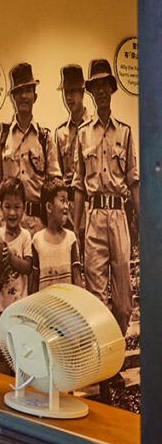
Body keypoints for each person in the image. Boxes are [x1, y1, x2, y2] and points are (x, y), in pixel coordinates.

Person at [73, 59, 139, 335]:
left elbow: (134, 179)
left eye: (104, 85)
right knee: (96, 298)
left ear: (111, 90)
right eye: (96, 86)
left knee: (123, 303)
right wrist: (77, 227)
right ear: (92, 91)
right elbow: (78, 184)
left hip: (119, 215)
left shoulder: (124, 131)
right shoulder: (83, 133)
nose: (101, 91)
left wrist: (144, 221)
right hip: (94, 217)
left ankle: (117, 351)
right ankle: (103, 362)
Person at [0, 62, 62, 234]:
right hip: (8, 221)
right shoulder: (2, 139)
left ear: (35, 97)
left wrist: (54, 223)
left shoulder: (45, 139)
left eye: (27, 91)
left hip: (38, 223)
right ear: (13, 98)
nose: (23, 96)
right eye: (19, 92)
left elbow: (54, 186)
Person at [0, 177, 33, 374]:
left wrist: (10, 256)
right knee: (1, 351)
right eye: (7, 206)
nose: (12, 212)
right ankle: (4, 388)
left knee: (18, 351)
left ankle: (19, 390)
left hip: (18, 305)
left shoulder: (25, 236)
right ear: (0, 207)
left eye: (17, 207)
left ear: (24, 208)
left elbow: (27, 267)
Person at [30, 177, 82, 293]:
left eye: (67, 201)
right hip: (44, 307)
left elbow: (77, 278)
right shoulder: (37, 240)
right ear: (49, 207)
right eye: (62, 201)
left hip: (66, 307)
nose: (67, 206)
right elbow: (34, 282)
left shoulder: (71, 238)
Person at [55, 64, 89, 191]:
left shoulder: (93, 128)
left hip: (89, 201)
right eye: (66, 92)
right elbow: (58, 174)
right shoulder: (61, 133)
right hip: (68, 202)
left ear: (82, 92)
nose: (68, 98)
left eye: (73, 91)